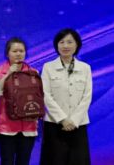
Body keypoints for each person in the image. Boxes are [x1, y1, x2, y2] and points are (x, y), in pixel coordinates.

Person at [40, 29, 92, 165]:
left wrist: (74, 120)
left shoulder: (85, 68)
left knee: (78, 160)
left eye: (70, 42)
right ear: (56, 45)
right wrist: (62, 119)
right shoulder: (48, 67)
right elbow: (45, 95)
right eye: (61, 42)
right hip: (54, 124)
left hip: (78, 124)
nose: (65, 46)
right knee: (54, 160)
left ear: (77, 45)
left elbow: (87, 96)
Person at [0, 38, 39, 165]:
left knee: (24, 161)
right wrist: (8, 74)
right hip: (6, 126)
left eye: (21, 51)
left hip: (28, 126)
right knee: (7, 161)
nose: (18, 54)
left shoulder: (34, 72)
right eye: (15, 51)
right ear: (7, 53)